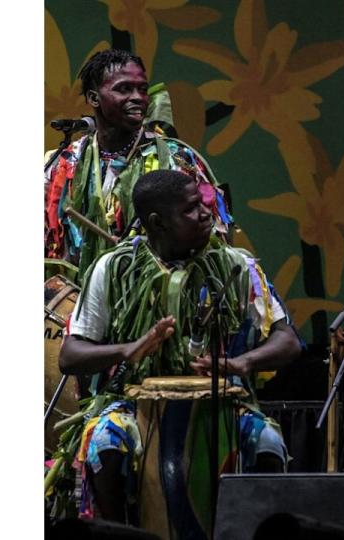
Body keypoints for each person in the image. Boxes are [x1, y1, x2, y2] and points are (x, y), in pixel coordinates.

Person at [45, 170, 301, 530]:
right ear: (157, 222)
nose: (206, 214)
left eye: (203, 204)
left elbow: (288, 339)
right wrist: (128, 350)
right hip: (134, 405)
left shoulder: (236, 265)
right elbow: (70, 356)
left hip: (223, 405)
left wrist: (244, 362)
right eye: (191, 209)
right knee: (102, 441)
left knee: (269, 441)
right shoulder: (115, 269)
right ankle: (122, 534)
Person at [45, 48, 231, 280]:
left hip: (155, 300)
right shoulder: (63, 163)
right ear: (94, 98)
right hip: (82, 302)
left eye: (142, 90)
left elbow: (213, 237)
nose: (137, 97)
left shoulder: (175, 160)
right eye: (124, 89)